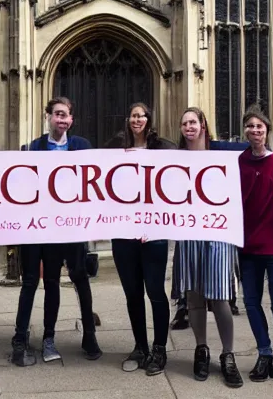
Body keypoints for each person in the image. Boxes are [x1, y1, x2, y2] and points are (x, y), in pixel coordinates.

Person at [11, 96, 102, 366]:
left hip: (73, 226)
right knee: (49, 281)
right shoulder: (34, 148)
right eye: (57, 114)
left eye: (66, 115)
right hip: (45, 227)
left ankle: (89, 334)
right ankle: (45, 337)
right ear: (48, 116)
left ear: (71, 120)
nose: (61, 119)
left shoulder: (81, 146)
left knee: (81, 279)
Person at [172, 107, 242, 387]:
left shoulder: (223, 153)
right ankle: (201, 349)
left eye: (193, 121)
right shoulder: (173, 159)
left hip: (218, 232)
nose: (189, 126)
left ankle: (228, 354)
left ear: (203, 125)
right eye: (184, 122)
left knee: (221, 297)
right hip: (189, 232)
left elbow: (254, 152)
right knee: (194, 296)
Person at [105, 103, 175, 375]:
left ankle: (159, 349)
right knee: (132, 293)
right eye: (133, 115)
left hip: (154, 234)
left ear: (148, 119)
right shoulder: (115, 146)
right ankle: (140, 346)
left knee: (156, 292)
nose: (137, 120)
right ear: (128, 119)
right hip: (123, 234)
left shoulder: (163, 148)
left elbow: (173, 189)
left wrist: (155, 225)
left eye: (141, 115)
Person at [237, 107, 273, 391]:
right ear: (245, 131)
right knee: (251, 303)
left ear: (267, 130)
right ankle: (264, 353)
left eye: (260, 126)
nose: (255, 130)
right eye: (250, 126)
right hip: (247, 245)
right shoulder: (238, 161)